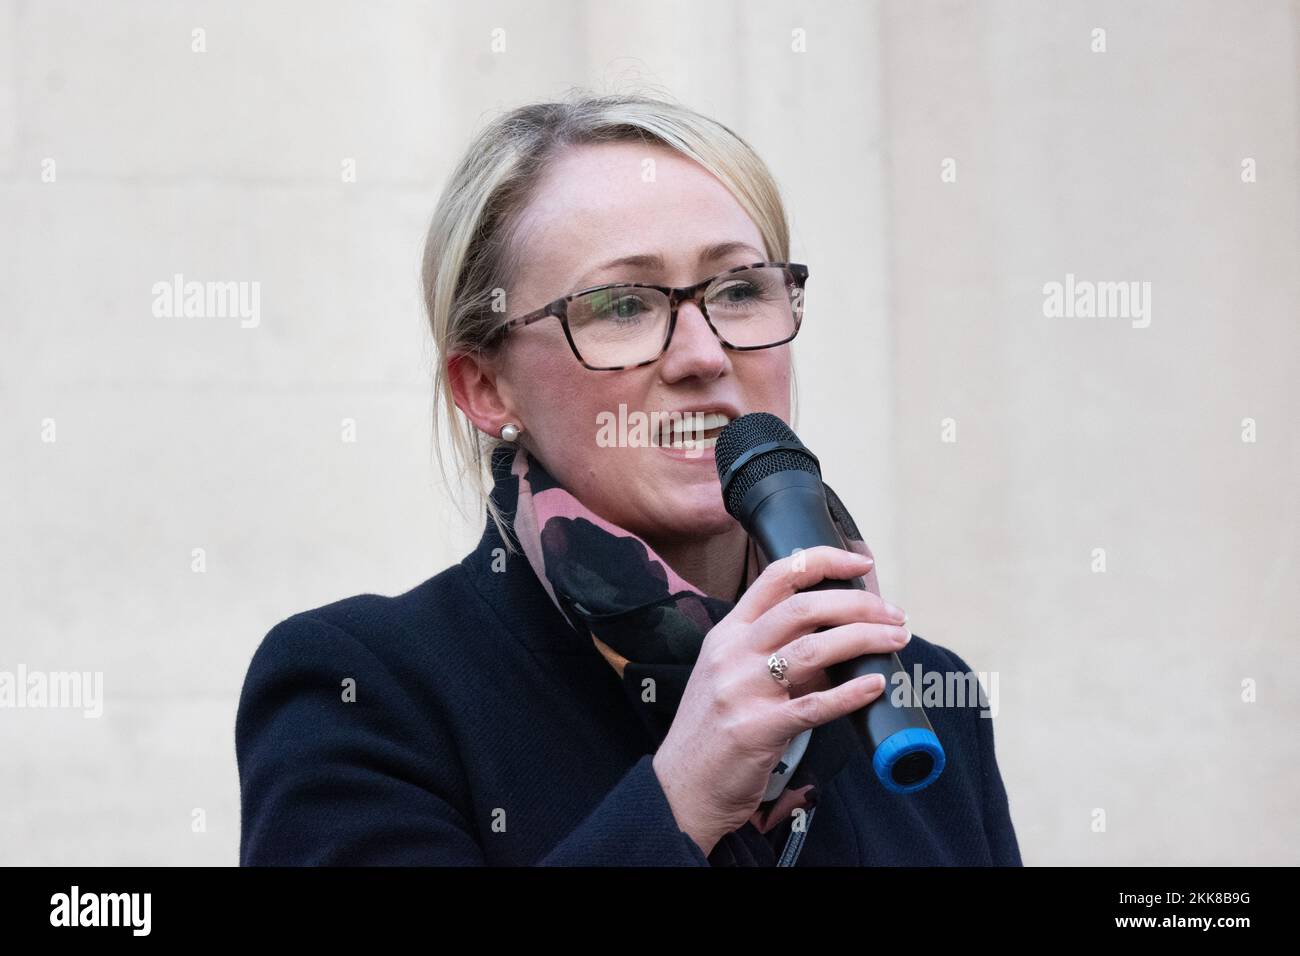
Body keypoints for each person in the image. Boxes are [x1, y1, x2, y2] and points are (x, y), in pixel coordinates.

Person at [235, 91, 1023, 866]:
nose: (703, 355)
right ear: (485, 387)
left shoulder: (922, 696)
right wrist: (683, 798)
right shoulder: (363, 693)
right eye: (622, 306)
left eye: (740, 290)